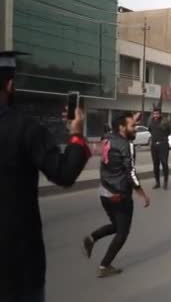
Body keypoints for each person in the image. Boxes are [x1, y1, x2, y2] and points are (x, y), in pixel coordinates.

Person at [0, 51, 90, 302]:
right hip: (17, 263)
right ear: (10, 85)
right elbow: (64, 173)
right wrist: (77, 135)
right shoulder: (25, 128)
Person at [82, 112, 150, 278]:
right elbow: (130, 172)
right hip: (119, 194)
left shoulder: (108, 138)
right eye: (132, 126)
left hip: (104, 192)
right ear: (121, 127)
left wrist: (131, 119)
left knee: (117, 225)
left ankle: (92, 237)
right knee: (123, 232)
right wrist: (142, 193)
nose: (135, 129)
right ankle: (104, 266)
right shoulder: (126, 145)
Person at [148, 106, 171, 189]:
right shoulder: (151, 121)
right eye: (154, 113)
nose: (155, 115)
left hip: (163, 145)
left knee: (164, 163)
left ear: (160, 114)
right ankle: (157, 183)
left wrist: (163, 137)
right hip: (154, 146)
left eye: (157, 113)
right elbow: (150, 130)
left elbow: (170, 130)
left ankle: (165, 183)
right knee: (155, 165)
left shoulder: (165, 121)